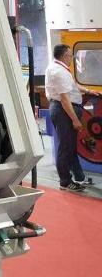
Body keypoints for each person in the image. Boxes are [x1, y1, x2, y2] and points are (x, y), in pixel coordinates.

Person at [46, 44, 101, 192]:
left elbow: (73, 85)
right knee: (65, 147)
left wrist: (88, 90)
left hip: (64, 110)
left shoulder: (59, 68)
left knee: (70, 146)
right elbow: (64, 100)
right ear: (64, 56)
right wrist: (75, 120)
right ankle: (65, 181)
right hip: (64, 111)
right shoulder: (59, 72)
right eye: (71, 56)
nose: (72, 58)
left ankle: (79, 176)